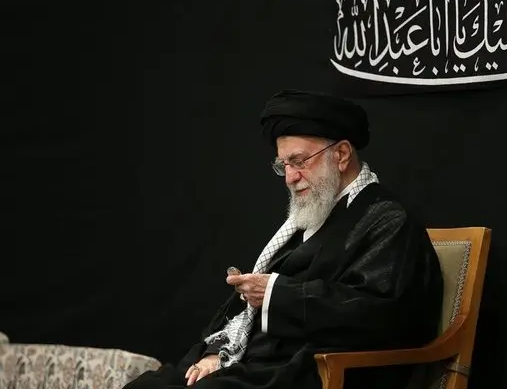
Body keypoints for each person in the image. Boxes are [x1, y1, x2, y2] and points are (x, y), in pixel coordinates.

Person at [124, 90, 443, 389]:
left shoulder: (386, 219)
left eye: (299, 161)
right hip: (262, 366)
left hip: (315, 373)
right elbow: (246, 314)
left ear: (342, 154)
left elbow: (383, 316)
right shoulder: (312, 218)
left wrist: (277, 294)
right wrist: (216, 353)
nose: (290, 177)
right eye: (283, 165)